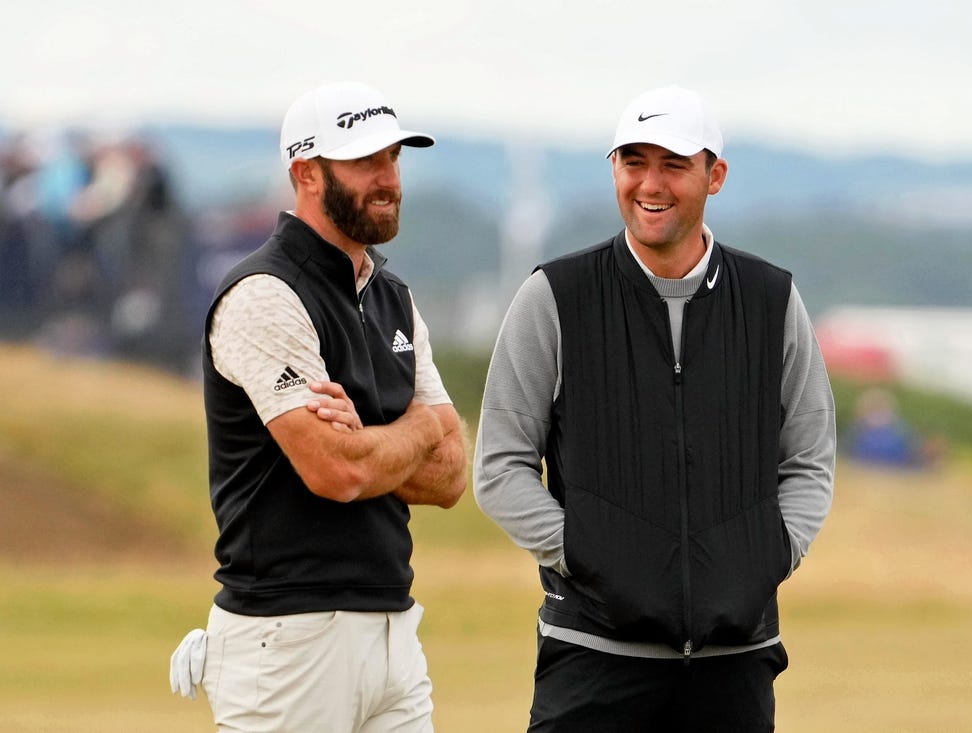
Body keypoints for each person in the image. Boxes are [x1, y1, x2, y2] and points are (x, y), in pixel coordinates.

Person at [474, 85, 836, 732]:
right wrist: (588, 557)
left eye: (673, 164)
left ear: (714, 175)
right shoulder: (556, 296)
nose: (650, 183)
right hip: (592, 654)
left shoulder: (770, 299)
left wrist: (764, 558)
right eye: (633, 161)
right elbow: (499, 467)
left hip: (735, 661)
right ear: (614, 169)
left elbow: (809, 461)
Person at [169, 81, 467, 733]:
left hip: (393, 631)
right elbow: (338, 471)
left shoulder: (393, 296)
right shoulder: (263, 295)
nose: (387, 178)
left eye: (393, 158)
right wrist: (416, 426)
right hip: (287, 641)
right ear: (306, 173)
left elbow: (451, 476)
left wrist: (370, 440)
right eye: (365, 162)